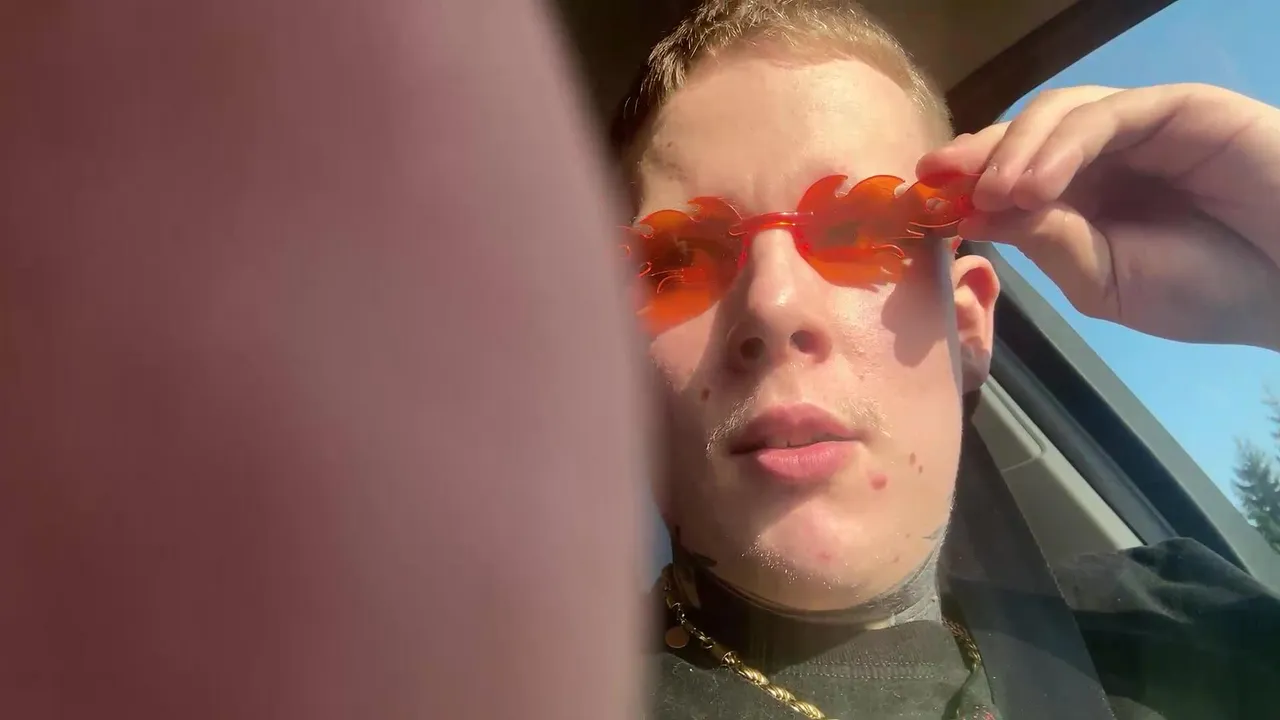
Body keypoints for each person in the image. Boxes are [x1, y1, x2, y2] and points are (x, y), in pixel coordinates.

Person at [613, 1, 1280, 718]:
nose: (773, 304)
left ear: (966, 327)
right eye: (679, 256)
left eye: (860, 228)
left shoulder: (1186, 620)